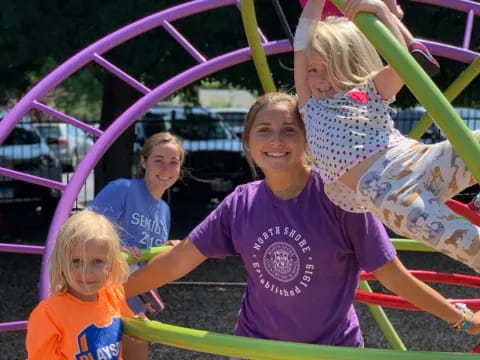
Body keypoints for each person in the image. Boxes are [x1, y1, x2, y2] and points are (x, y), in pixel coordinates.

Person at [124, 93, 480, 351]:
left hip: (329, 349)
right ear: (247, 142)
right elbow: (180, 258)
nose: (276, 140)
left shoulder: (342, 196)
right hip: (256, 347)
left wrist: (457, 317)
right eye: (264, 130)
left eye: (289, 130)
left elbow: (392, 275)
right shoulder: (241, 203)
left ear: (308, 139)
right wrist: (114, 292)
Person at [294, 0, 480, 272]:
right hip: (389, 194)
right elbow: (302, 40)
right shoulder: (310, 104)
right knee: (469, 244)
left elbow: (407, 63)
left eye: (328, 67)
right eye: (312, 70)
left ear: (351, 64)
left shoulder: (370, 89)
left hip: (417, 160)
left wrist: (382, 11)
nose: (319, 78)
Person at [89, 131, 184, 357]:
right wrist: (114, 250)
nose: (166, 169)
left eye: (173, 162)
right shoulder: (122, 189)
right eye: (158, 161)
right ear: (143, 162)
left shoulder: (164, 211)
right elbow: (82, 232)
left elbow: (147, 261)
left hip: (134, 303)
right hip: (100, 301)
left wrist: (167, 251)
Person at [25, 210, 145, 360]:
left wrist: (140, 327)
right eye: (76, 261)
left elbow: (129, 328)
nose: (86, 273)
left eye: (98, 261)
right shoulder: (48, 314)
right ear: (61, 263)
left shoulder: (112, 293)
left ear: (111, 263)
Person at [297, 0, 440, 75]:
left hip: (332, 27)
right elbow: (395, 14)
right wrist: (391, 9)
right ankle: (413, 44)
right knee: (382, 10)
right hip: (348, 27)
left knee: (379, 9)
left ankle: (413, 45)